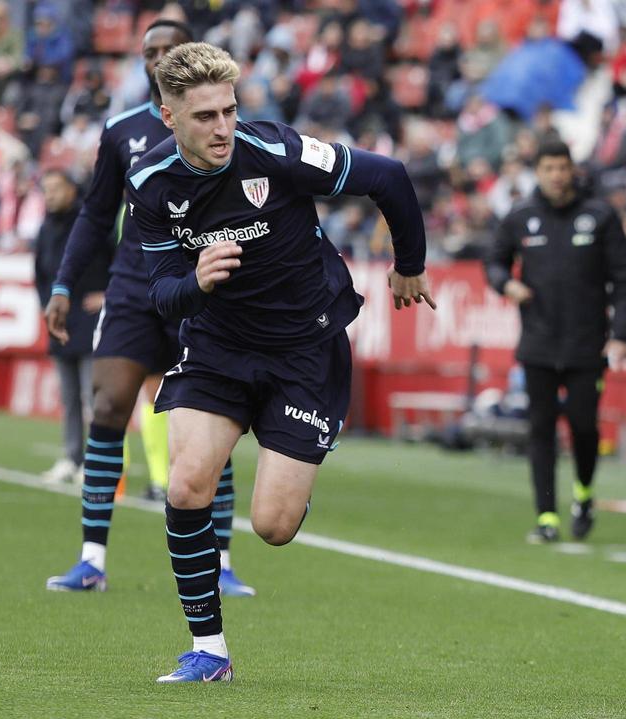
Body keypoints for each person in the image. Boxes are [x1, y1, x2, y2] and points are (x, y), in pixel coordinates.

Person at [126, 42, 433, 683]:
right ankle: (209, 652)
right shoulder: (150, 185)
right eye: (204, 115)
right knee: (186, 484)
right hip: (217, 347)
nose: (221, 128)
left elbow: (389, 178)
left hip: (306, 348)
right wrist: (198, 283)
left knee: (272, 525)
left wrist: (409, 265)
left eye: (229, 111)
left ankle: (298, 467)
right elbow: (161, 293)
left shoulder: (277, 151)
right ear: (168, 117)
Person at [43, 20, 256, 598]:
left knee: (212, 424)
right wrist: (63, 284)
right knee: (108, 402)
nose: (158, 57)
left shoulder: (225, 130)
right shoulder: (120, 131)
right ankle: (91, 558)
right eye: (150, 51)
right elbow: (94, 215)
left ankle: (224, 560)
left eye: (170, 49)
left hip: (204, 291)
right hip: (136, 287)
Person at [484, 137, 626, 543]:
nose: (556, 175)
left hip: (588, 345)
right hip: (537, 343)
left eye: (562, 167)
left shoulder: (600, 216)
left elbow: (623, 281)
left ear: (572, 169)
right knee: (541, 429)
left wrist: (619, 336)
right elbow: (493, 261)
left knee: (584, 428)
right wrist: (506, 285)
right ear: (538, 172)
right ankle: (546, 517)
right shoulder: (521, 216)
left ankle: (583, 493)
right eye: (548, 168)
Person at [33, 170, 108, 484]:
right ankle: (71, 456)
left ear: (71, 188)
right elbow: (38, 272)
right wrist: (47, 306)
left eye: (55, 188)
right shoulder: (46, 227)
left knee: (94, 397)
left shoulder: (91, 222)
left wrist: (109, 295)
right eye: (46, 189)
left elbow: (121, 259)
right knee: (68, 396)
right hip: (60, 321)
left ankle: (97, 462)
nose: (49, 194)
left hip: (91, 320)